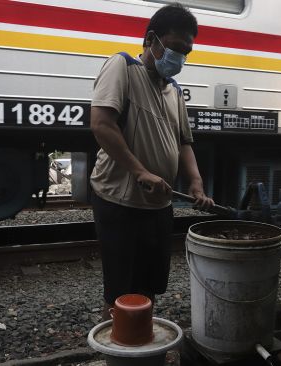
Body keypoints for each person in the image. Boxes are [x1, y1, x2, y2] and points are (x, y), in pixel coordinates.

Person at [89, 3, 214, 320]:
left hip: (159, 205)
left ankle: (141, 346)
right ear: (151, 40)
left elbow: (184, 142)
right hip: (121, 202)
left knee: (149, 286)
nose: (180, 57)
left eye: (186, 51)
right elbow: (102, 124)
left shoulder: (174, 90)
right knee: (120, 292)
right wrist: (140, 171)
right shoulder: (123, 67)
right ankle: (118, 350)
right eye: (174, 48)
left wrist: (196, 182)